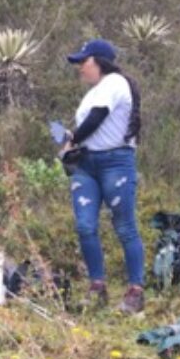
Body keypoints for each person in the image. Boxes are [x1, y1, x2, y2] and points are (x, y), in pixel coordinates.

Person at [61, 38, 145, 314]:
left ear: (99, 61)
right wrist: (73, 146)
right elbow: (91, 125)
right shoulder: (93, 92)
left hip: (115, 162)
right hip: (87, 164)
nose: (80, 68)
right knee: (85, 226)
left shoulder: (115, 83)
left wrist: (71, 139)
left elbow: (97, 118)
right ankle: (97, 286)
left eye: (84, 62)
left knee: (124, 226)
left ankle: (135, 292)